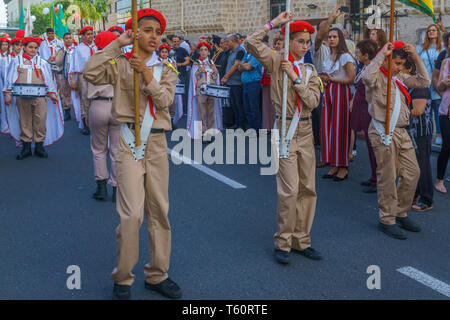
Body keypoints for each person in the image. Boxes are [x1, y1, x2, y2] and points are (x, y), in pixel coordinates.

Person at [84, 8, 181, 300]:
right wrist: (118, 44)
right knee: (131, 215)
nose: (153, 36)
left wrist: (147, 72)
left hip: (157, 143)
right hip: (128, 141)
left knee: (159, 212)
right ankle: (123, 277)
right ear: (136, 33)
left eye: (157, 32)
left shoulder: (167, 69)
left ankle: (157, 274)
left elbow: (164, 100)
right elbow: (90, 72)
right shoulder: (120, 63)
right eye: (147, 30)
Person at [246, 12, 323, 264]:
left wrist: (296, 78)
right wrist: (273, 24)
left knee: (308, 188)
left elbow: (312, 102)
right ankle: (283, 241)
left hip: (306, 129)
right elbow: (250, 43)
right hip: (285, 129)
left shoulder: (310, 70)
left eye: (307, 42)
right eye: (300, 41)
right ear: (289, 41)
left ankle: (302, 240)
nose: (305, 46)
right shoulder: (275, 60)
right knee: (289, 190)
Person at [363, 41, 430, 240]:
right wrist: (382, 53)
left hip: (401, 132)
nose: (398, 67)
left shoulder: (399, 77)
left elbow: (424, 82)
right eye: (396, 63)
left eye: (401, 64)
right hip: (382, 130)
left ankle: (400, 211)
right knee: (388, 177)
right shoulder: (376, 77)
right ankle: (387, 219)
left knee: (412, 173)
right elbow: (366, 76)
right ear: (385, 59)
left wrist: (416, 58)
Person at [3, 37, 62, 160]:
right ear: (24, 47)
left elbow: (49, 80)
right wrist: (7, 94)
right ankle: (26, 147)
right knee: (25, 121)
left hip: (40, 97)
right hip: (22, 97)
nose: (33, 50)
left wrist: (52, 94)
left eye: (35, 48)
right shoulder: (16, 61)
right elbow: (10, 78)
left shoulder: (42, 62)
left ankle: (39, 146)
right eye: (30, 47)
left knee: (40, 121)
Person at [85, 31, 121, 203]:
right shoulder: (121, 61)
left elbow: (84, 90)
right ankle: (116, 188)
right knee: (116, 149)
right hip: (117, 105)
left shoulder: (93, 61)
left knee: (98, 149)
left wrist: (86, 111)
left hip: (98, 104)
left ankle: (101, 187)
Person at [319, 27, 356, 181]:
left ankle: (343, 166)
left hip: (341, 92)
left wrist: (332, 79)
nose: (332, 39)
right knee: (329, 128)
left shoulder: (345, 56)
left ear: (340, 38)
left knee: (340, 128)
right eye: (330, 37)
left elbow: (351, 78)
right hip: (328, 92)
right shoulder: (328, 57)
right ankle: (334, 163)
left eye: (334, 36)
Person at [402, 58, 434, 211]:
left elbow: (418, 111)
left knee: (423, 166)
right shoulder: (408, 84)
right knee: (412, 166)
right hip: (412, 131)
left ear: (409, 69)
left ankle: (427, 199)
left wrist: (397, 114)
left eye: (400, 65)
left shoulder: (419, 87)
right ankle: (415, 194)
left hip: (421, 132)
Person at [350, 39, 378, 193]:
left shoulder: (372, 69)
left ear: (366, 55)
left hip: (369, 109)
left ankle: (378, 179)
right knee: (368, 145)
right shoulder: (363, 67)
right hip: (361, 106)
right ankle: (374, 175)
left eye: (359, 53)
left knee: (373, 145)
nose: (357, 55)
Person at [187, 42, 222, 140]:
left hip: (211, 89)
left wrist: (215, 70)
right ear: (199, 51)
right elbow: (194, 78)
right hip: (201, 90)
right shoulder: (196, 63)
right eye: (201, 50)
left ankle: (211, 132)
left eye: (205, 50)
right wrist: (198, 72)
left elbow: (215, 77)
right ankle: (203, 132)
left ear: (208, 52)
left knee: (211, 111)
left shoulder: (211, 62)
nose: (203, 52)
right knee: (202, 112)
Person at [417, 24, 443, 146]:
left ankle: (438, 134)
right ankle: (425, 134)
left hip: (437, 85)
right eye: (429, 31)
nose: (431, 32)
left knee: (437, 111)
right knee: (425, 112)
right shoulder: (421, 49)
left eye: (434, 30)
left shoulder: (442, 48)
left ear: (438, 33)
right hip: (424, 85)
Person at [69, 26, 97, 135]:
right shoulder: (78, 48)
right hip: (83, 76)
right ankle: (86, 124)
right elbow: (73, 65)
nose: (90, 36)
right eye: (88, 34)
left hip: (97, 76)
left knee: (96, 100)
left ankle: (96, 123)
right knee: (85, 100)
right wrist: (73, 81)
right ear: (83, 36)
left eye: (92, 34)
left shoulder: (96, 47)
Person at [221, 34, 246, 129]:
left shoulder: (240, 51)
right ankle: (237, 123)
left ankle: (241, 125)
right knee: (234, 104)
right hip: (231, 83)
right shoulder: (231, 52)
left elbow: (236, 65)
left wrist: (226, 77)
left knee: (239, 105)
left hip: (237, 83)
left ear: (233, 41)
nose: (226, 43)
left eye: (228, 41)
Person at [0, 36, 22, 134]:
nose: (19, 47)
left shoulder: (22, 58)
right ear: (12, 46)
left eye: (21, 45)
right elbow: (5, 75)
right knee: (7, 106)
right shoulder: (7, 59)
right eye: (17, 45)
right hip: (7, 86)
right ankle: (6, 125)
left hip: (20, 86)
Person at [239, 43, 263, 132]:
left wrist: (243, 64)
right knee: (247, 108)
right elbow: (239, 68)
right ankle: (251, 129)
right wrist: (243, 65)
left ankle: (256, 130)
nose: (244, 46)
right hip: (246, 85)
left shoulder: (256, 55)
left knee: (254, 109)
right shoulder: (247, 55)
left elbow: (248, 67)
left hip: (253, 84)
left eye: (246, 44)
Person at [435, 57, 450, 194]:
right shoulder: (446, 62)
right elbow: (439, 86)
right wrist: (444, 82)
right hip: (446, 110)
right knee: (447, 145)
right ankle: (439, 180)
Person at [54, 33, 76, 121]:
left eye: (70, 38)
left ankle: (81, 114)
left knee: (78, 93)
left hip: (75, 75)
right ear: (63, 40)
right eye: (66, 38)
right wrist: (63, 54)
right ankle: (67, 111)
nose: (68, 40)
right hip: (64, 74)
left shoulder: (76, 49)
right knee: (65, 92)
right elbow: (57, 62)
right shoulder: (61, 50)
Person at [172, 35, 190, 113]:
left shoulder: (183, 50)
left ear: (179, 42)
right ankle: (174, 111)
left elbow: (188, 61)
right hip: (171, 75)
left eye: (177, 41)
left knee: (181, 93)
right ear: (172, 42)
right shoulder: (169, 51)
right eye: (174, 41)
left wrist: (179, 64)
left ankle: (183, 111)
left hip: (181, 75)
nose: (175, 43)